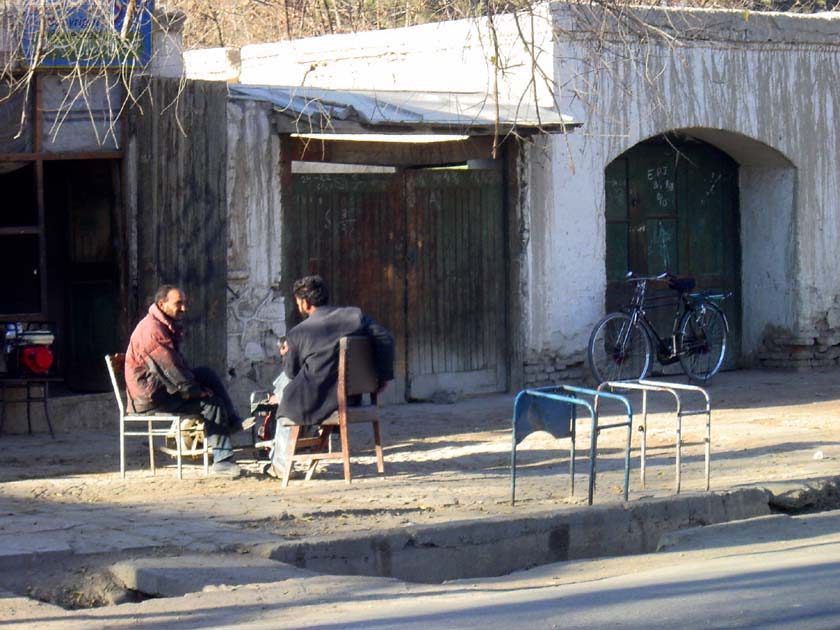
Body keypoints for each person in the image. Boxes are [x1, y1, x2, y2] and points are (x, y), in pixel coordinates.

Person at [264, 275, 394, 476]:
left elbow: (292, 372)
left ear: (305, 303)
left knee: (285, 395)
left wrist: (286, 355)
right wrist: (382, 377)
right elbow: (385, 338)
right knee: (283, 386)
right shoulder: (355, 317)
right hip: (352, 396)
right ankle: (276, 396)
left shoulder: (298, 333)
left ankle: (280, 465)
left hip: (318, 400)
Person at [124, 285, 252, 477]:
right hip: (151, 398)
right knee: (211, 404)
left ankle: (232, 421)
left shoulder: (160, 324)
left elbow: (177, 366)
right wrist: (196, 392)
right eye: (178, 303)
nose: (183, 308)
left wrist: (196, 385)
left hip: (160, 387)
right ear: (162, 304)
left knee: (206, 374)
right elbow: (172, 371)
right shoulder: (153, 331)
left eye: (184, 303)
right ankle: (223, 461)